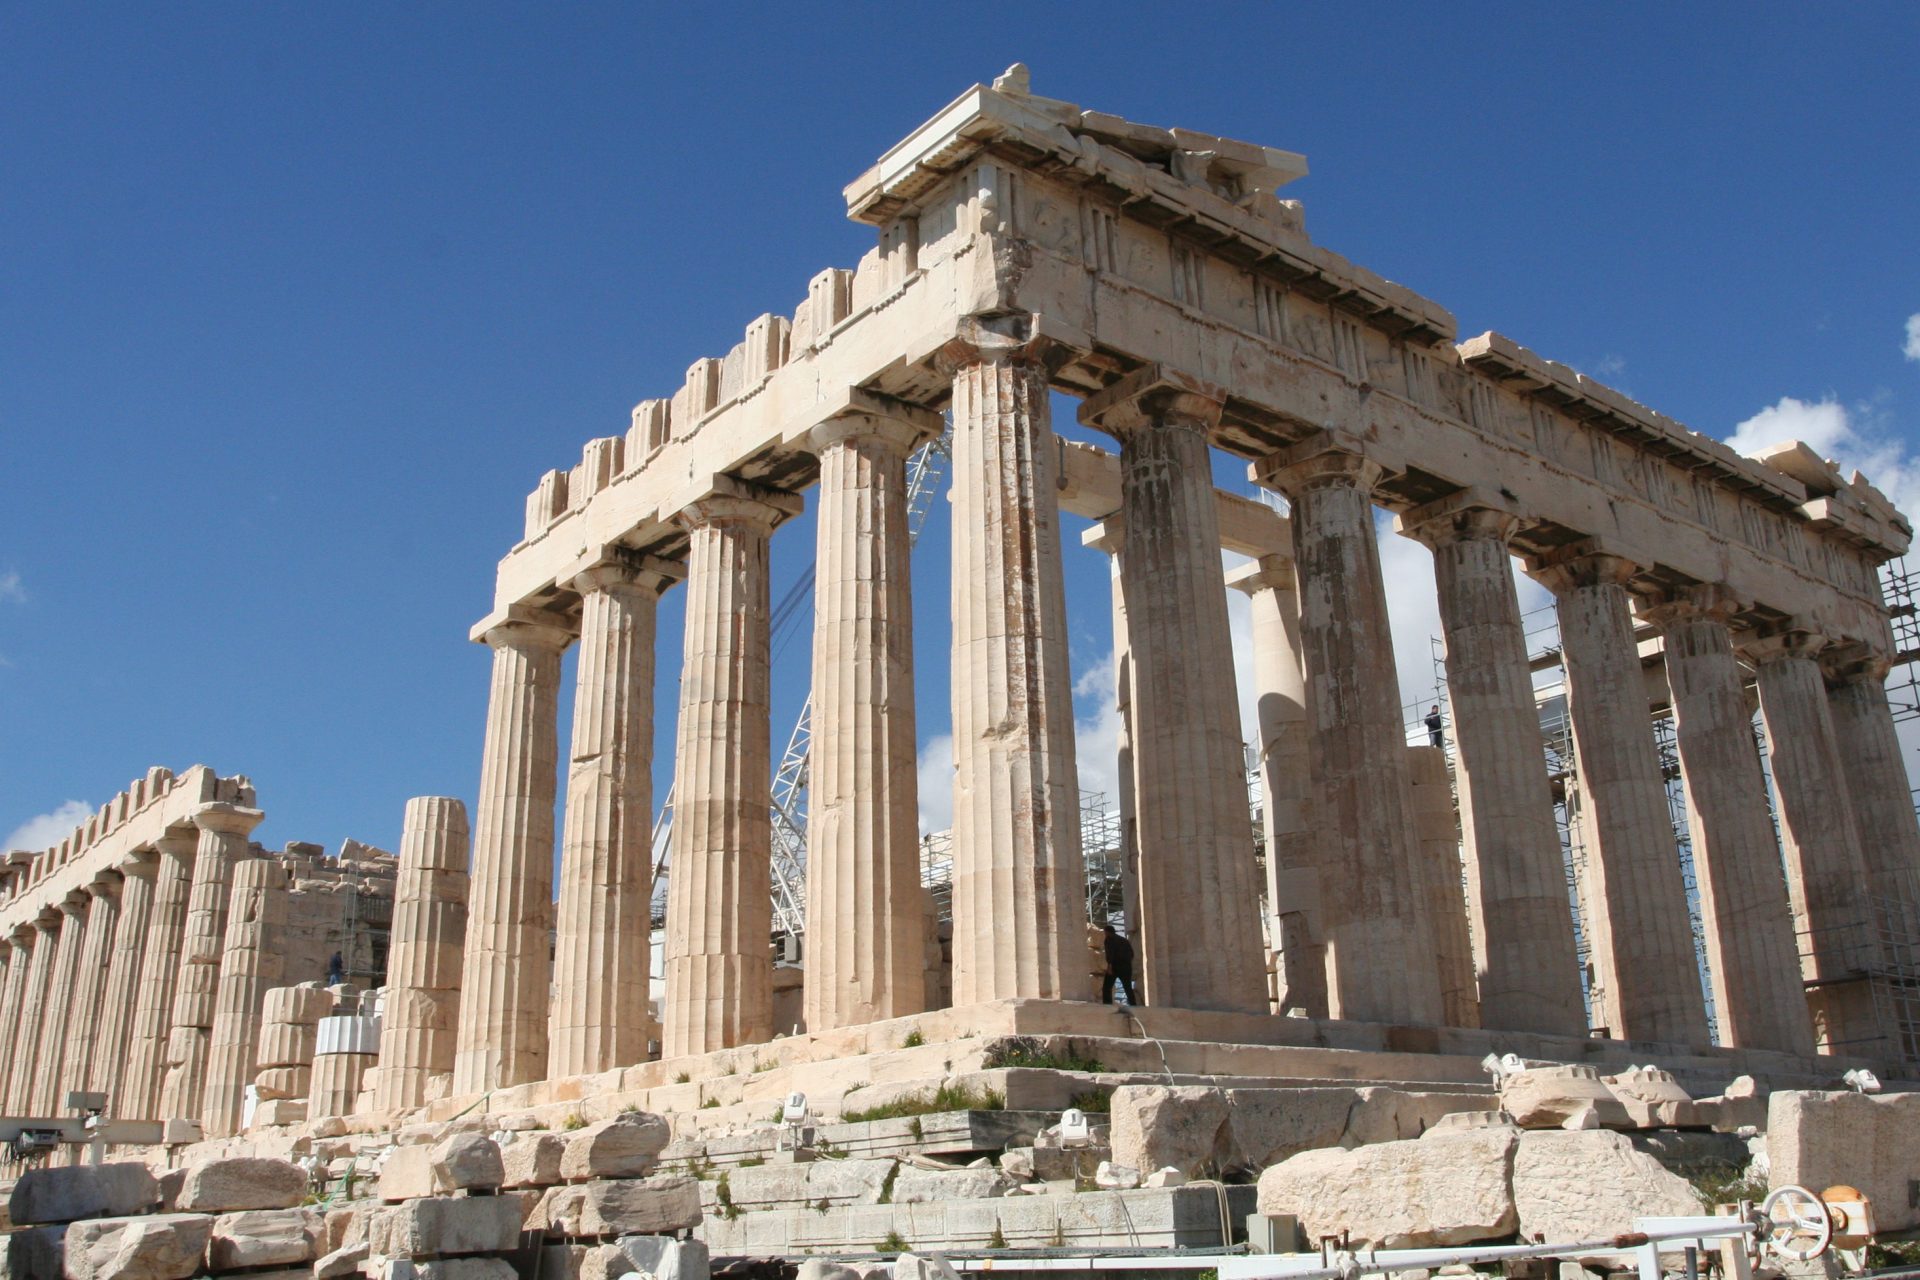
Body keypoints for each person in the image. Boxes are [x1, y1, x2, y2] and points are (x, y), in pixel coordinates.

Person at [1101, 924, 1138, 1006]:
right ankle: (1133, 1005)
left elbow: (1110, 953)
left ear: (1107, 932)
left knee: (1107, 987)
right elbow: (1131, 954)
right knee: (1127, 987)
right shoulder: (1124, 940)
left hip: (1115, 966)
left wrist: (1109, 966)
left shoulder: (1109, 939)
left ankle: (1107, 1005)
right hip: (1126, 967)